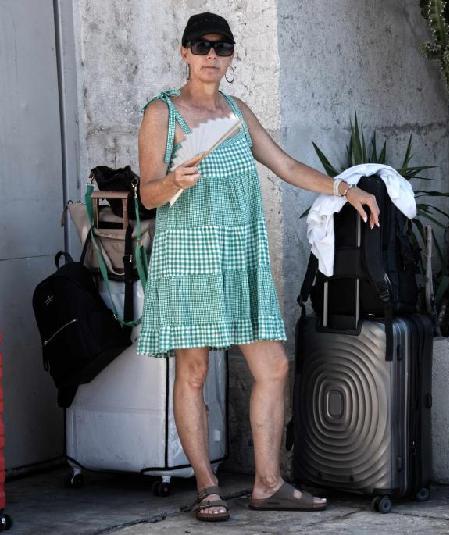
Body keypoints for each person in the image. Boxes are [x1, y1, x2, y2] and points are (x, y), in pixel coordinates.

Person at [137, 12, 380, 522]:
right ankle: (206, 485)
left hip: (240, 258)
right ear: (184, 53)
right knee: (195, 371)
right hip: (188, 260)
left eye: (221, 48)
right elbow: (148, 193)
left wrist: (344, 188)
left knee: (272, 366)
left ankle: (268, 483)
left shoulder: (237, 110)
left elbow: (286, 164)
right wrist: (175, 181)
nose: (211, 56)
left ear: (230, 56)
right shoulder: (162, 112)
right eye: (201, 47)